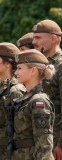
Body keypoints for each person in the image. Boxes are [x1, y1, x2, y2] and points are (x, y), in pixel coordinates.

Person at [12, 49, 55, 159]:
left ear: (33, 71)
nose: (16, 72)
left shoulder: (38, 101)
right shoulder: (26, 99)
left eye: (19, 68)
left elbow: (44, 143)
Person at [31, 19, 62, 157]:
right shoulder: (39, 65)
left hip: (55, 140)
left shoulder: (60, 66)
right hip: (39, 140)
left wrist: (60, 144)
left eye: (38, 38)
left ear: (54, 38)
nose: (34, 42)